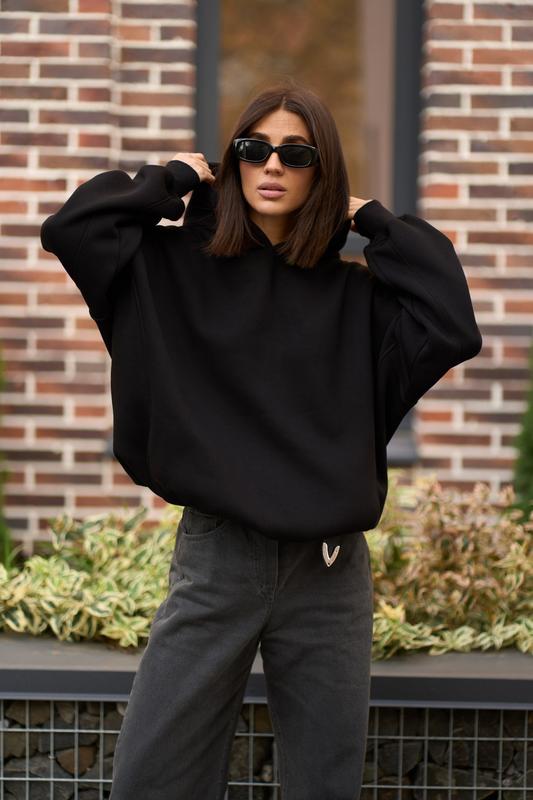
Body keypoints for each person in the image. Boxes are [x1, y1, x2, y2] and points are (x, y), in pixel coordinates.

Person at [40, 82, 483, 800]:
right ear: (234, 161)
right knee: (153, 778)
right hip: (217, 557)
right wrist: (171, 179)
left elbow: (452, 322)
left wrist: (370, 218)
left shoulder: (356, 299)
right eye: (254, 148)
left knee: (323, 783)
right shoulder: (166, 270)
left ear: (321, 172)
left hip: (328, 570)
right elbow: (74, 229)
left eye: (297, 154)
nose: (272, 165)